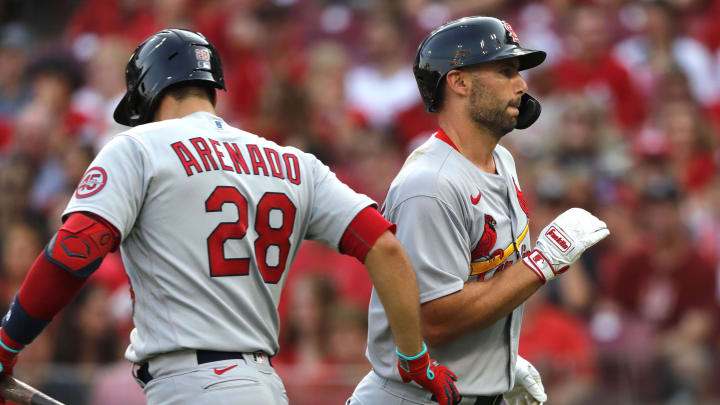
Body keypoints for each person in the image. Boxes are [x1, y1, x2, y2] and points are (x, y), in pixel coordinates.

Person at [0, 29, 460, 405]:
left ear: (145, 94)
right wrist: (413, 357)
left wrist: (7, 345)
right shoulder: (296, 162)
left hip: (190, 384)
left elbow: (75, 250)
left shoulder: (138, 147)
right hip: (264, 385)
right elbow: (385, 246)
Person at [349, 16, 610, 405]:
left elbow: (484, 277)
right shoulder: (430, 184)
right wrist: (542, 263)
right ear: (459, 82)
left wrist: (497, 364)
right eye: (505, 71)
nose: (521, 84)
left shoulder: (502, 161)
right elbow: (435, 319)